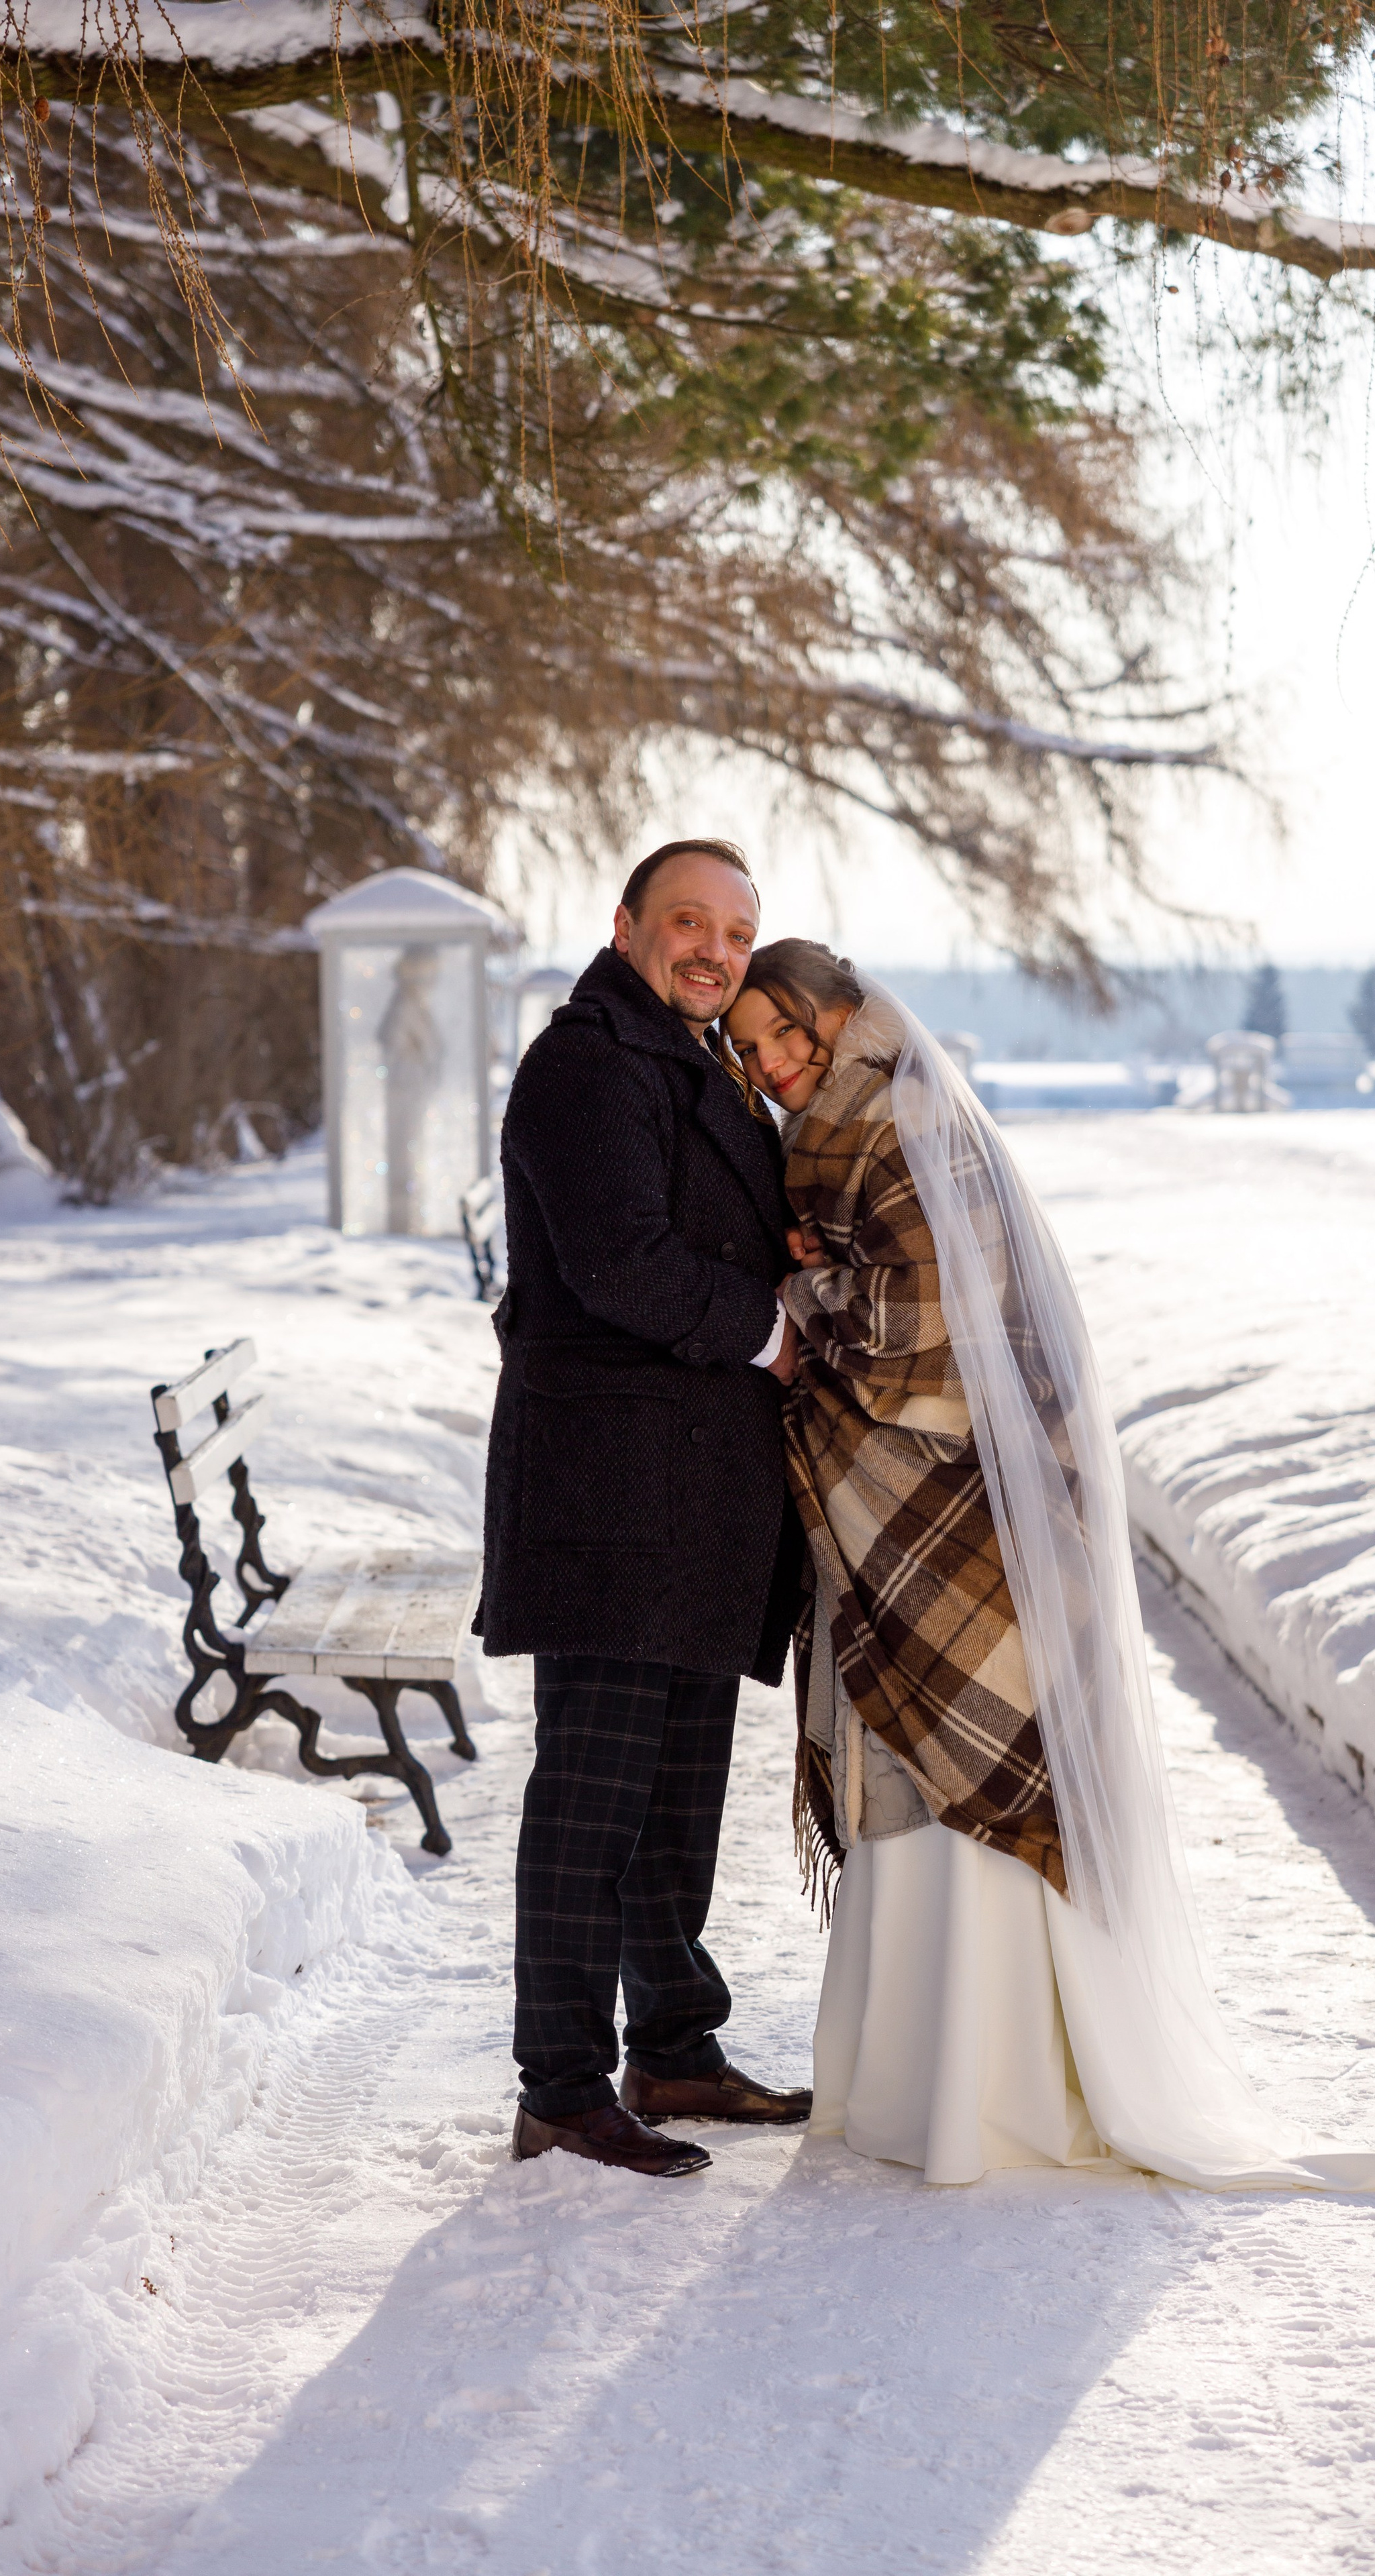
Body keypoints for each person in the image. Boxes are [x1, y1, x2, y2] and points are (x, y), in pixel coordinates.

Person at [725, 940, 1375, 2193]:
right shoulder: (829, 1136)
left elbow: (929, 1337)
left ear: (842, 1015)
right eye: (750, 1046)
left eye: (786, 1032)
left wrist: (798, 1294)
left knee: (975, 1763)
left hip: (963, 1505)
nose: (773, 1063)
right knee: (910, 1773)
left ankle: (995, 2089)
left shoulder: (905, 1124)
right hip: (894, 1512)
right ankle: (916, 2078)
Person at [478, 842, 811, 2178]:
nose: (715, 952)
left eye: (735, 933)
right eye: (688, 921)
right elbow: (620, 1261)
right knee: (592, 1803)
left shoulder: (690, 1061)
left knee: (676, 1797)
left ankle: (672, 2045)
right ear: (625, 926)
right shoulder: (586, 1064)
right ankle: (560, 2088)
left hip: (693, 1500)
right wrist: (772, 1333)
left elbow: (710, 1223)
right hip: (610, 1497)